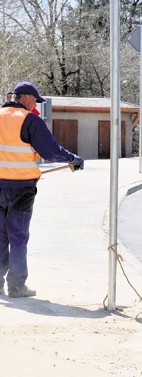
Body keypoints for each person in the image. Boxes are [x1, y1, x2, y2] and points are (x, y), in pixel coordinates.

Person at [0, 81, 84, 298]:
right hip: (21, 188)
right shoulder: (29, 120)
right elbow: (51, 151)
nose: (34, 105)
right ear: (26, 98)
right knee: (18, 236)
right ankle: (17, 286)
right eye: (34, 101)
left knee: (0, 236)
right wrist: (72, 158)